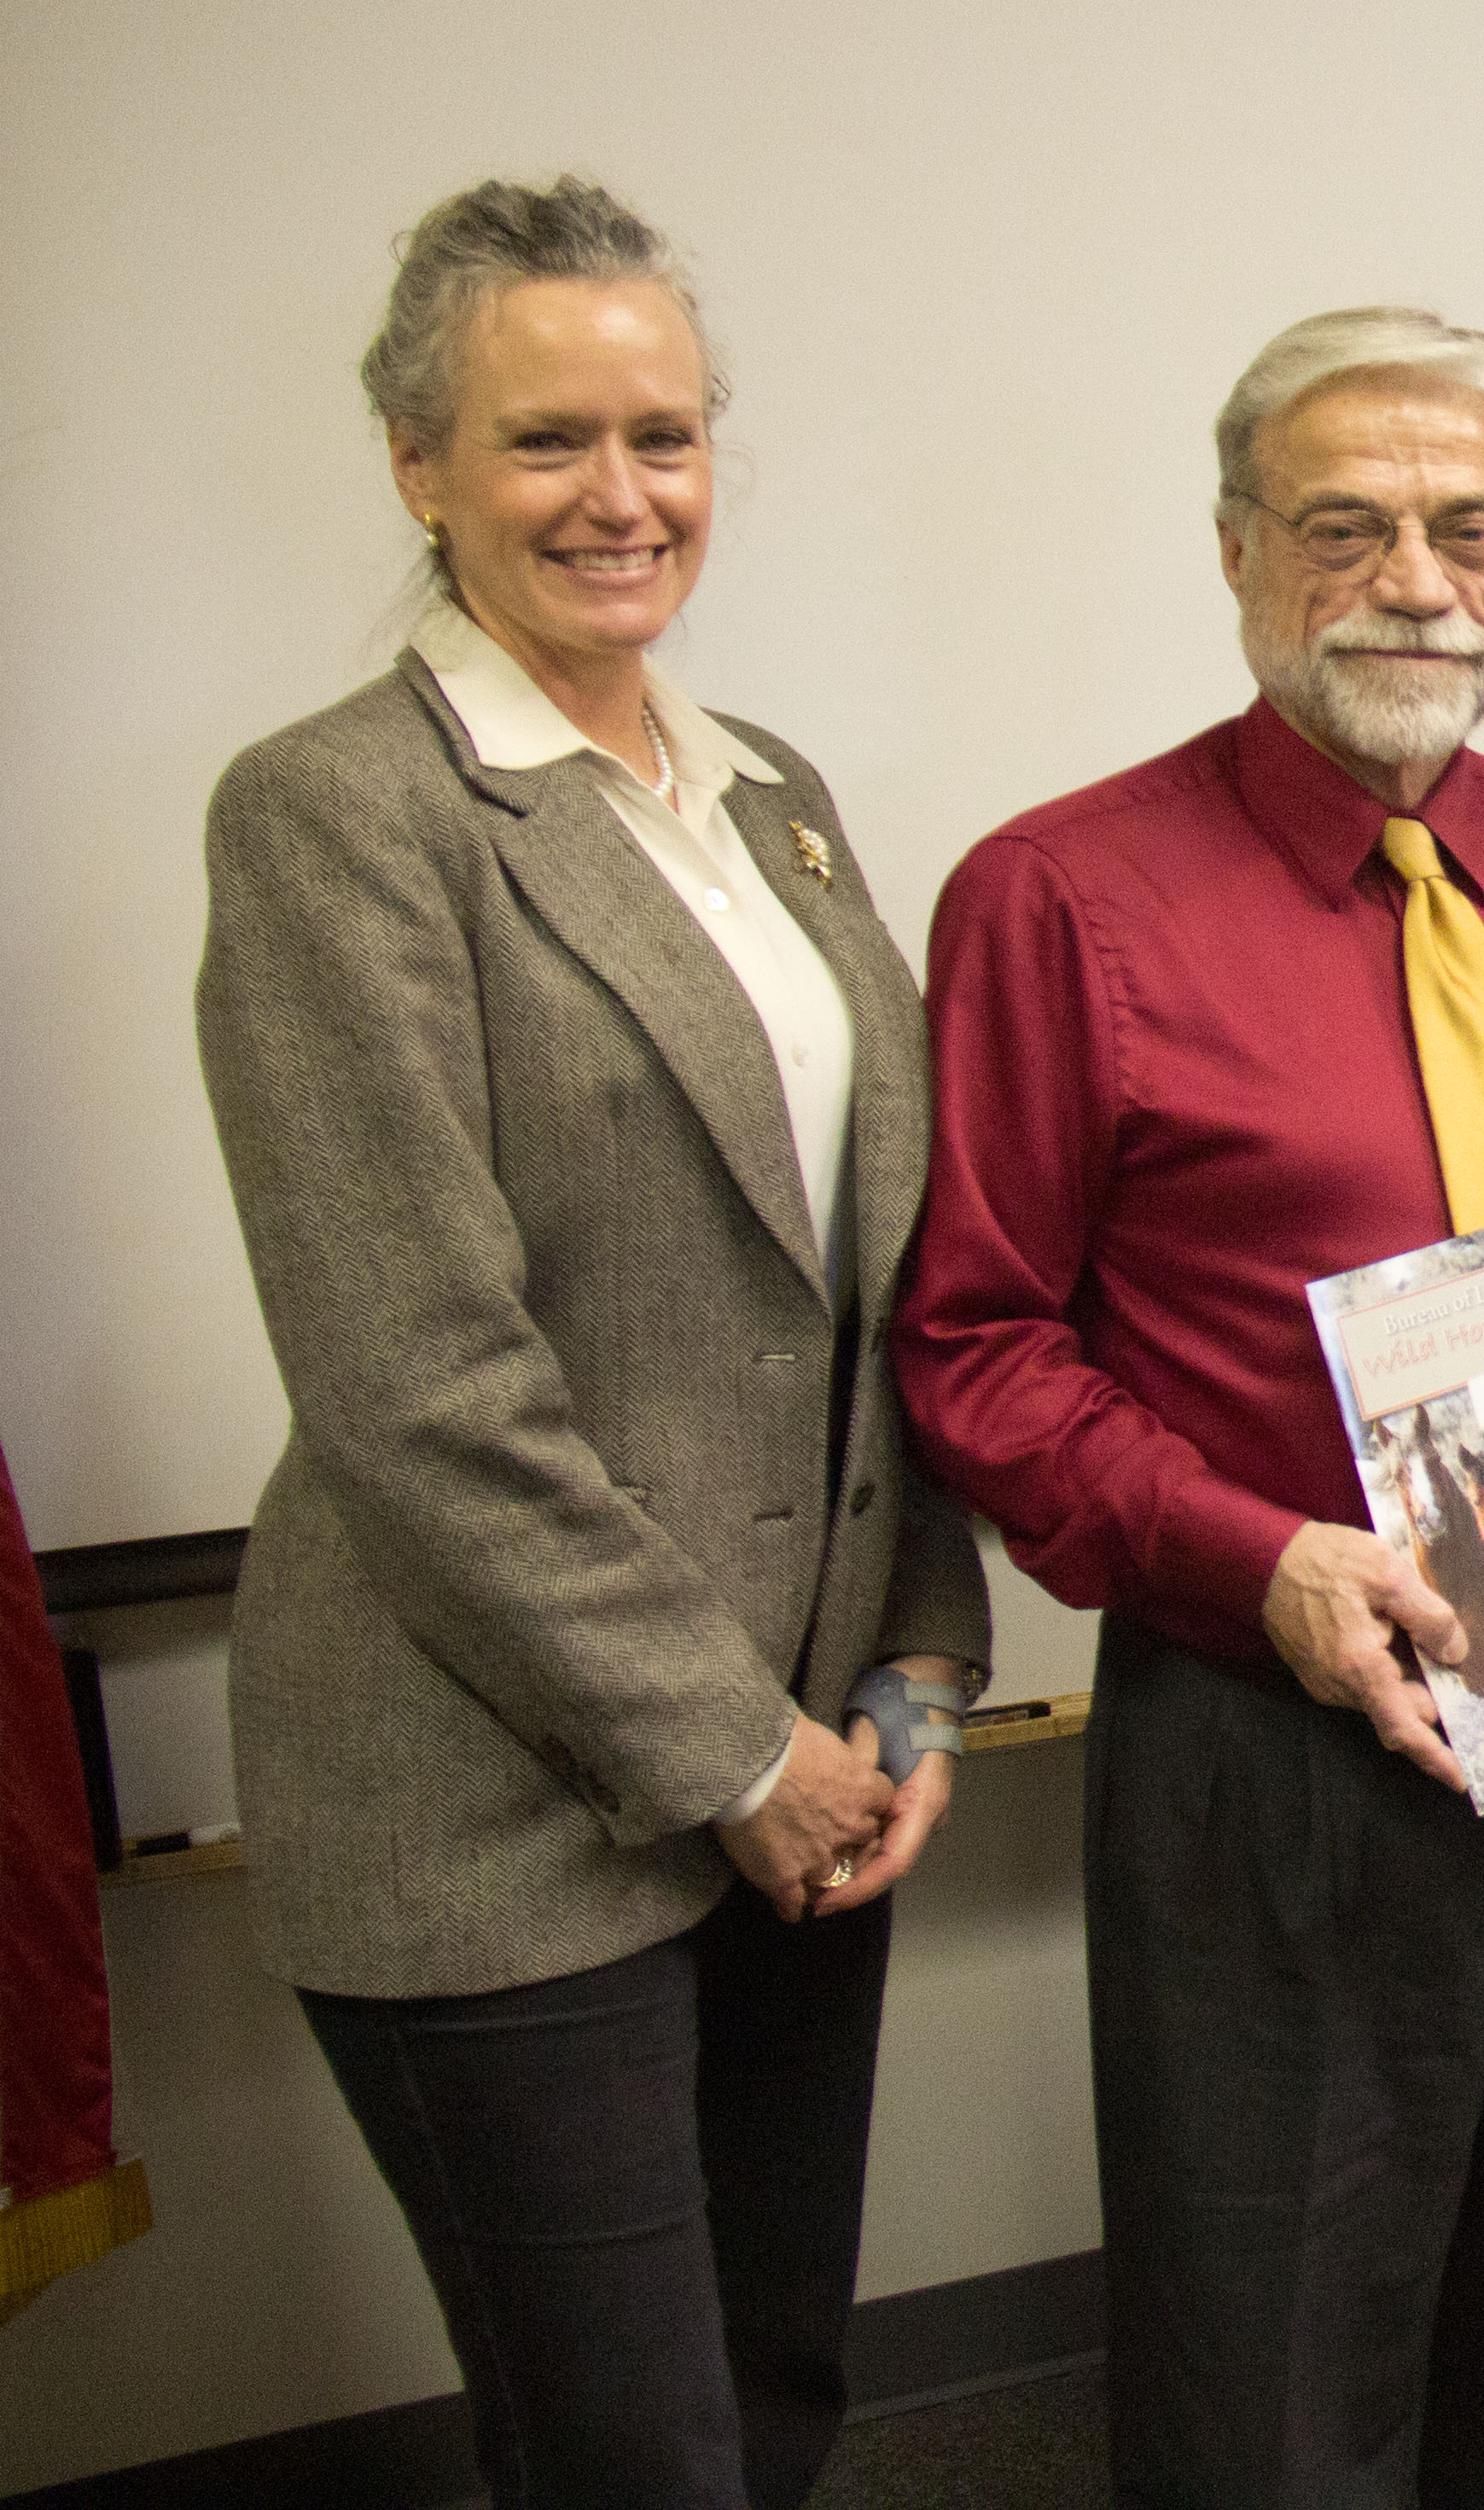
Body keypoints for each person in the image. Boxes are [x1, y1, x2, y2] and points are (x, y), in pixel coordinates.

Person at [893, 306, 1484, 2508]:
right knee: (1276, 2377)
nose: (1419, 577)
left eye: (1467, 527)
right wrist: (1270, 1565)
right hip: (1279, 1741)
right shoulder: (1060, 900)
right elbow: (977, 1344)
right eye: (1347, 528)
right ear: (1236, 555)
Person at [195, 176, 990, 2510]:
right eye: (547, 441)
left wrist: (914, 1674)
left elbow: (876, 1289)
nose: (618, 496)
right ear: (418, 465)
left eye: (664, 434)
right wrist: (735, 1758)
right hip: (503, 1800)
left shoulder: (777, 806)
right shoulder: (339, 820)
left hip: (814, 1772)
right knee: (628, 2458)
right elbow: (415, 1382)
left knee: (771, 2405)